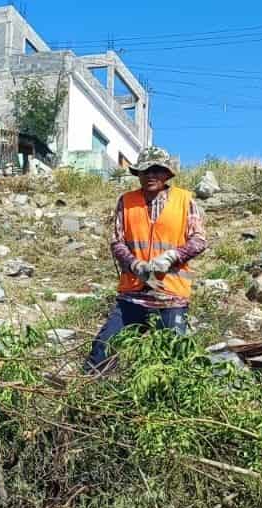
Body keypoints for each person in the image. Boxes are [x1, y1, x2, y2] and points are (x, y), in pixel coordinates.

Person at [84, 146, 209, 372]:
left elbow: (199, 240)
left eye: (157, 170)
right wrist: (135, 265)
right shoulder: (126, 201)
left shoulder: (185, 200)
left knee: (172, 357)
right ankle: (88, 395)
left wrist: (172, 256)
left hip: (171, 295)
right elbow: (117, 242)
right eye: (145, 171)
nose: (151, 175)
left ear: (167, 174)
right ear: (138, 174)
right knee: (104, 347)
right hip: (133, 293)